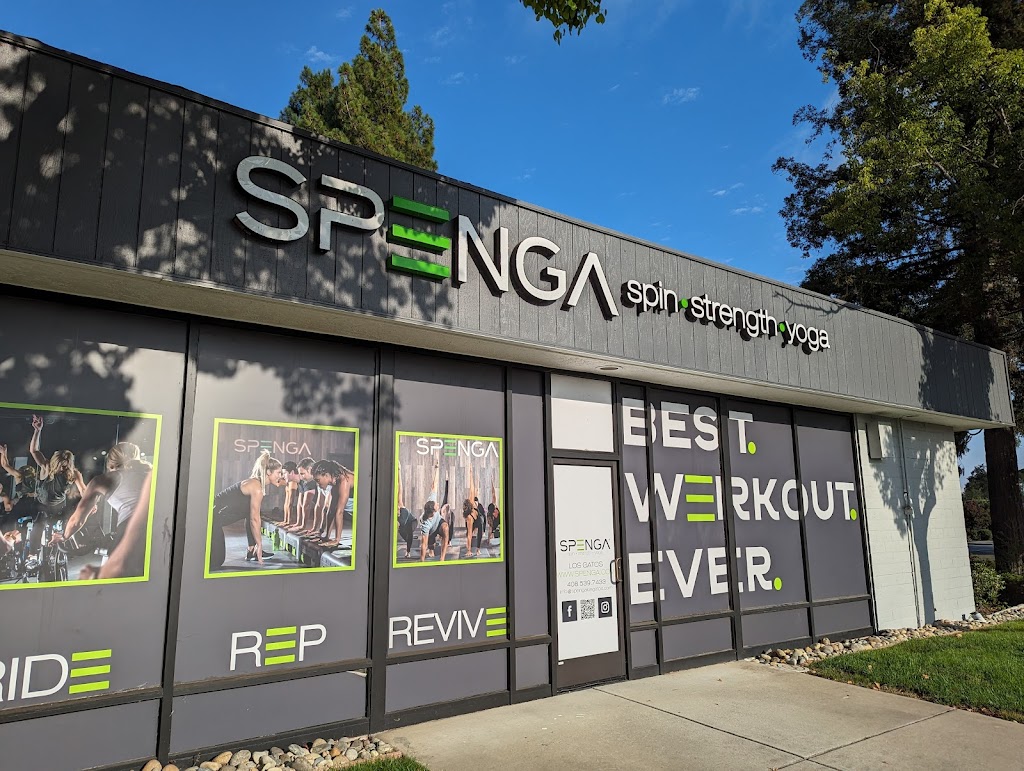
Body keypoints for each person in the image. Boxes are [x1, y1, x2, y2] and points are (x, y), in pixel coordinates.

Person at [50, 441, 153, 578]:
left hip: (131, 530)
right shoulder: (150, 473)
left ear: (111, 462)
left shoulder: (104, 479)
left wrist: (63, 537)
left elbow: (76, 520)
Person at [208, 450, 285, 569]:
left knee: (253, 512)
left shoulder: (256, 483)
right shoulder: (256, 488)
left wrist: (254, 545)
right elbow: (254, 520)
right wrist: (260, 545)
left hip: (215, 518)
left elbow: (251, 516)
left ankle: (251, 549)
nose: (280, 476)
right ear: (268, 472)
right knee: (216, 561)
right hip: (210, 517)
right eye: (278, 473)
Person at [418, 458, 451, 562]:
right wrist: (422, 561)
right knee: (429, 542)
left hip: (438, 521)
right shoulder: (425, 525)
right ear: (432, 512)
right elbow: (423, 545)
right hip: (431, 529)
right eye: (437, 506)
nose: (438, 504)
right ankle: (431, 549)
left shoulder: (431, 500)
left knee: (445, 528)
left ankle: (442, 558)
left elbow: (434, 485)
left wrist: (436, 468)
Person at [462, 465, 485, 558]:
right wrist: (469, 551)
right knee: (469, 533)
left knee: (480, 532)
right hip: (473, 520)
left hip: (479, 519)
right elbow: (469, 535)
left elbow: (472, 489)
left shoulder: (473, 504)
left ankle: (478, 549)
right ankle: (470, 548)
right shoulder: (469, 518)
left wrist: (471, 474)